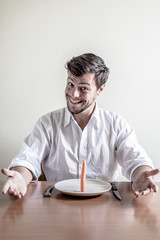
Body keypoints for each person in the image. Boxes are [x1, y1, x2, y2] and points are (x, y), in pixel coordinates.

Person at [1, 53, 159, 198]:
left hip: (105, 205)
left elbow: (136, 160)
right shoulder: (47, 123)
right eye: (70, 84)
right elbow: (28, 159)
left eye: (83, 88)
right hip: (56, 203)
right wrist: (20, 177)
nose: (73, 94)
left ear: (100, 90)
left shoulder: (116, 124)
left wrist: (141, 175)